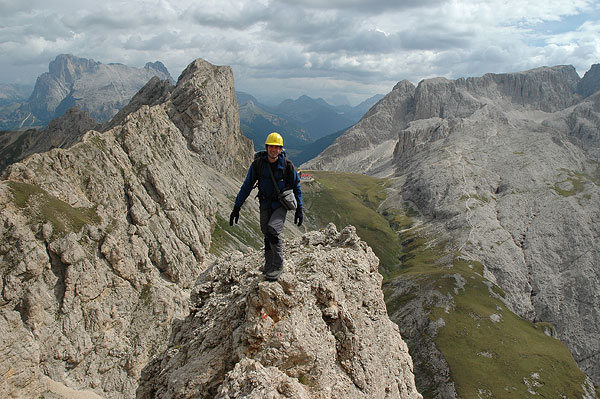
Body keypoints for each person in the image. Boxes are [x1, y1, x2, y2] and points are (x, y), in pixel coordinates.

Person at [229, 132, 304, 281]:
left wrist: (299, 209)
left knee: (273, 230)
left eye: (277, 147)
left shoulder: (287, 166)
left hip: (280, 204)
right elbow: (247, 186)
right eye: (271, 146)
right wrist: (236, 207)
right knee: (266, 233)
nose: (273, 150)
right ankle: (269, 264)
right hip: (264, 204)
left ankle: (278, 264)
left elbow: (296, 187)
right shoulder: (258, 165)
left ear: (281, 149)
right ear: (267, 147)